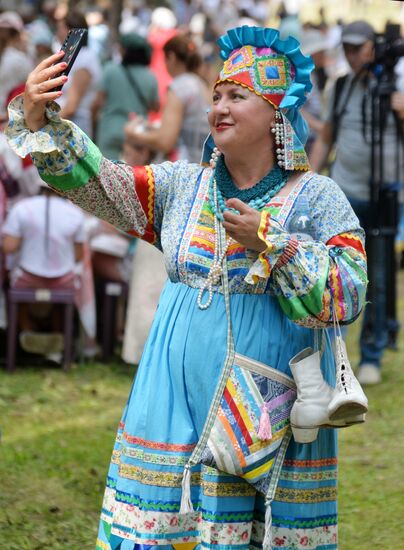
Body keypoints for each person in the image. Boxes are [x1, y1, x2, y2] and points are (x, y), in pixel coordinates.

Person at [7, 25, 368, 550]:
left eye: (237, 96)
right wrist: (42, 120)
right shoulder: (181, 187)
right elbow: (99, 182)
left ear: (276, 115)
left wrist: (274, 244)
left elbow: (348, 294)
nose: (219, 106)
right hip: (171, 396)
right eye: (216, 94)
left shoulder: (318, 199)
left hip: (268, 408)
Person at [310, 20, 404, 385]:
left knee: (379, 277)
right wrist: (312, 179)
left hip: (384, 192)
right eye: (346, 48)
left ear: (372, 47)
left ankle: (372, 355)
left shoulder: (395, 87)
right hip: (344, 194)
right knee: (339, 275)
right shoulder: (343, 86)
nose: (351, 55)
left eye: (357, 48)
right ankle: (337, 352)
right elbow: (327, 137)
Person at [2, 184, 85, 358]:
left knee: (14, 280)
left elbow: (9, 247)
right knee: (63, 285)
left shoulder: (22, 208)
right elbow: (78, 256)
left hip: (28, 278)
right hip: (63, 280)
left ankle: (25, 330)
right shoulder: (75, 213)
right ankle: (57, 334)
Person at [125, 33, 210, 163]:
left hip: (185, 169)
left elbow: (165, 141)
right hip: (202, 164)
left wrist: (133, 135)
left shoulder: (179, 87)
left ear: (171, 57)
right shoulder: (200, 84)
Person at [92, 32, 159, 160]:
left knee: (106, 174)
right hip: (137, 133)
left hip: (110, 129)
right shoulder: (150, 77)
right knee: (131, 176)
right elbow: (155, 107)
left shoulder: (110, 70)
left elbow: (98, 102)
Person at [54, 11, 101, 138]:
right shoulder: (72, 56)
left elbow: (72, 106)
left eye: (60, 28)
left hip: (74, 127)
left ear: (71, 31)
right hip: (65, 123)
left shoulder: (85, 57)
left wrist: (45, 127)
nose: (57, 33)